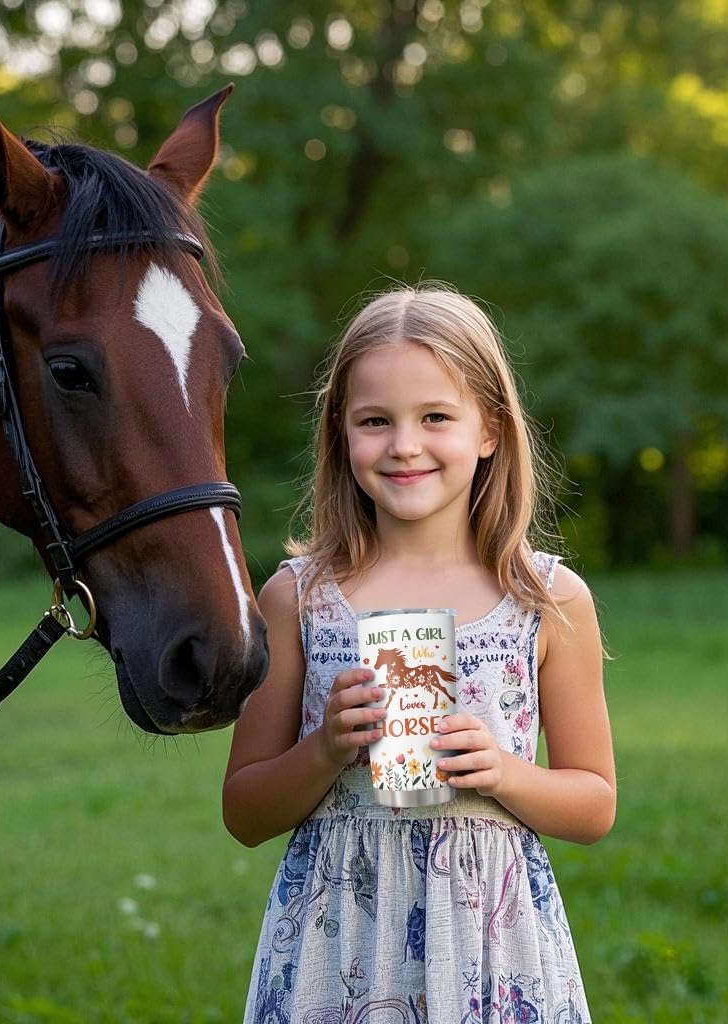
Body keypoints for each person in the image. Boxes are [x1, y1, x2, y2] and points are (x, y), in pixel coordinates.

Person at [223, 284, 616, 1023]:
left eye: (436, 417)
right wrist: (326, 748)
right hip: (334, 951)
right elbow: (243, 811)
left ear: (490, 430)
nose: (404, 445)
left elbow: (594, 803)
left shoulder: (548, 600)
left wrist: (503, 772)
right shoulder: (298, 598)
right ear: (342, 432)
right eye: (375, 421)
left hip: (491, 954)